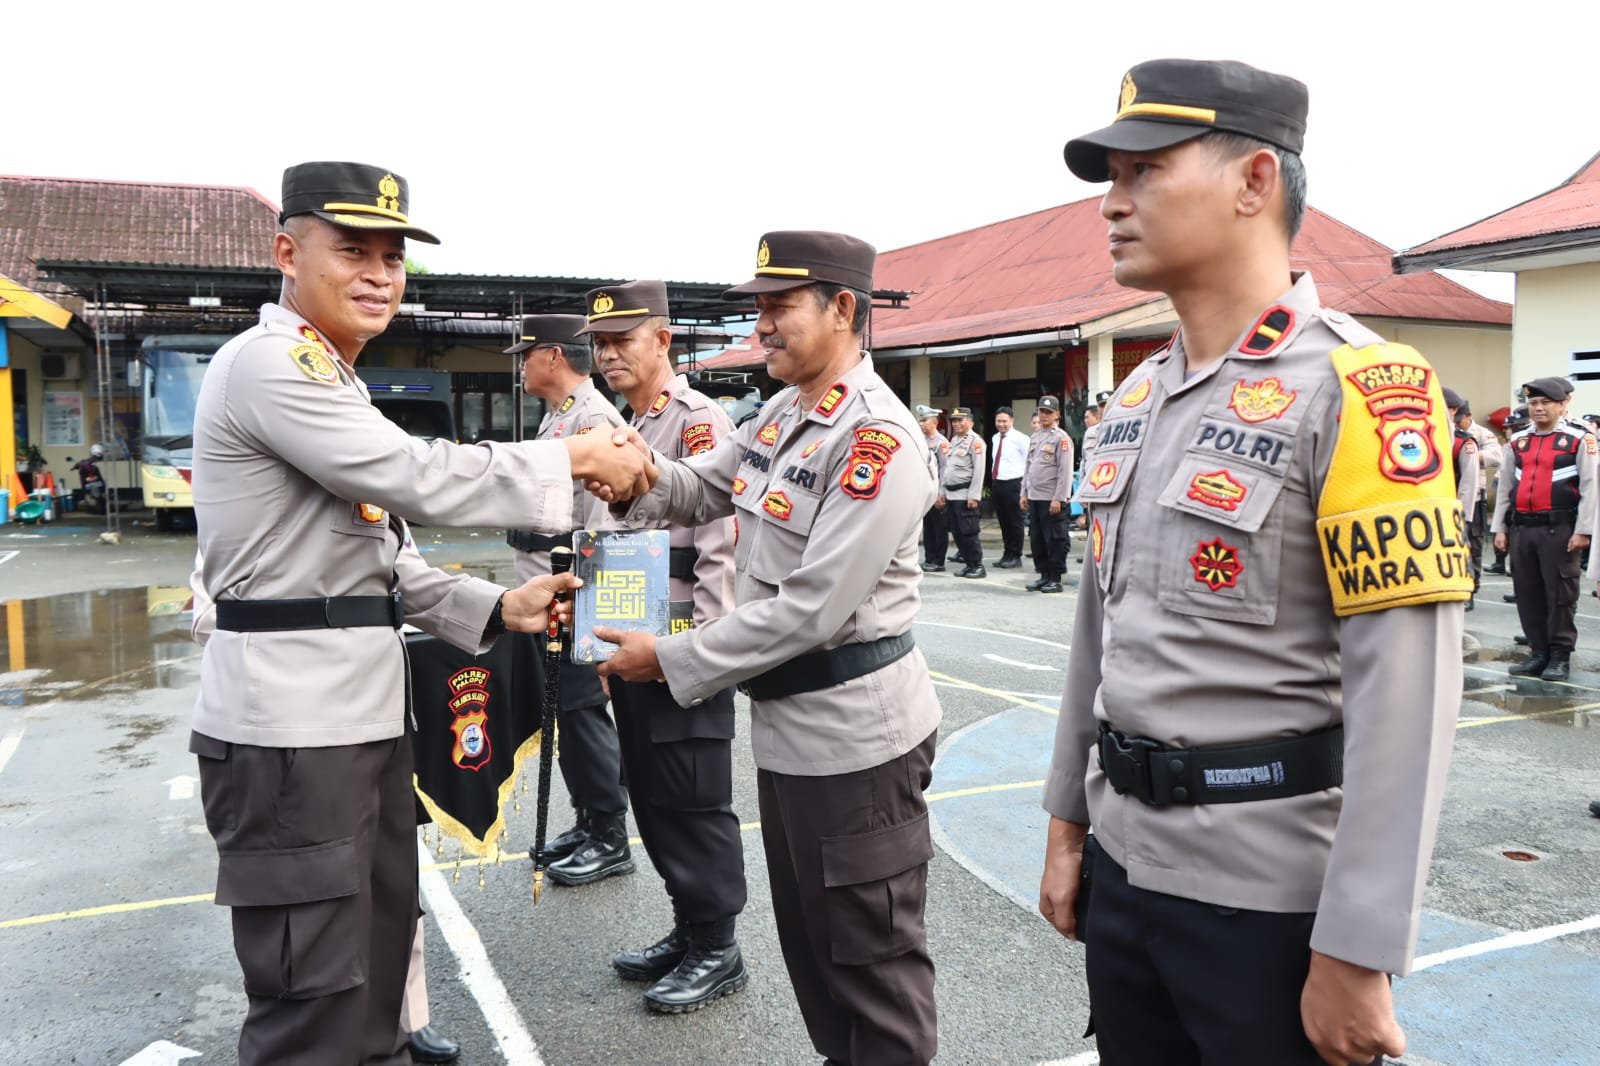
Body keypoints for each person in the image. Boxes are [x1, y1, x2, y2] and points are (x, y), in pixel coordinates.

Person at [1038, 59, 1472, 1066]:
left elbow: (1407, 691)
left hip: (1268, 899)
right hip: (1125, 871)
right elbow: (1098, 639)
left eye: (1144, 170)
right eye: (1111, 177)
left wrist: (1360, 945)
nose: (1111, 203)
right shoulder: (1135, 398)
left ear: (1254, 182)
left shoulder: (1363, 388)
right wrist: (1067, 824)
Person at [187, 161, 647, 1066]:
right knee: (316, 1003)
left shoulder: (335, 378)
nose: (378, 275)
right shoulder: (273, 364)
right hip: (291, 733)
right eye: (352, 251)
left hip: (354, 723)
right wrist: (572, 459)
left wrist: (498, 604)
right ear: (287, 253)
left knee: (376, 972)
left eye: (392, 258)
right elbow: (413, 475)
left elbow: (384, 564)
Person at [594, 230, 942, 1065]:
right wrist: (635, 473)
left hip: (856, 741)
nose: (761, 327)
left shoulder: (875, 439)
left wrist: (669, 659)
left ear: (843, 309)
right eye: (759, 308)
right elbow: (701, 487)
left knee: (869, 963)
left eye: (779, 307)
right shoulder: (784, 414)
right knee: (818, 952)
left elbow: (810, 609)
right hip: (793, 731)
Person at [581, 280, 748, 1013]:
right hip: (634, 647)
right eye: (599, 343)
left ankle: (718, 947)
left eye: (622, 339)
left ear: (663, 340)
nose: (608, 353)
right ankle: (688, 927)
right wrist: (598, 642)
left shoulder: (697, 422)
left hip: (681, 651)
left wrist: (700, 659)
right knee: (653, 798)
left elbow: (720, 549)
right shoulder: (632, 423)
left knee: (694, 801)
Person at [503, 314, 634, 885]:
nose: (521, 366)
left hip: (574, 600)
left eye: (526, 355)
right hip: (548, 595)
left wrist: (592, 617)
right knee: (563, 714)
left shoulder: (593, 420)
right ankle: (588, 820)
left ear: (553, 356)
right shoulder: (560, 416)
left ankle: (609, 834)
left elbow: (606, 527)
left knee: (582, 716)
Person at [1491, 377, 1597, 680]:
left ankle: (1560, 656)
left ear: (1562, 405)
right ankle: (1538, 653)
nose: (1538, 408)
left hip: (1559, 529)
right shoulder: (1518, 441)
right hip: (1522, 529)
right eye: (1533, 403)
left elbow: (1591, 487)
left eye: (1545, 403)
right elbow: (1506, 488)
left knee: (1561, 594)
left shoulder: (1579, 439)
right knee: (1528, 593)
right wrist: (1500, 528)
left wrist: (1583, 530)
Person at [1021, 394, 1073, 592]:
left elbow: (1065, 471)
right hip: (1034, 497)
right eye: (1041, 411)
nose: (1044, 415)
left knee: (1054, 540)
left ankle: (1055, 578)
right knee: (1037, 539)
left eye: (1048, 412)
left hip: (1051, 498)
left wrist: (1059, 498)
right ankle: (1043, 575)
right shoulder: (1035, 437)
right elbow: (1028, 467)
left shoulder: (1061, 438)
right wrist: (1024, 492)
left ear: (1057, 414)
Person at [1445, 388, 1483, 610]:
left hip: (1457, 507)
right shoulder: (1425, 436)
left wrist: (1462, 516)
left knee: (1466, 550)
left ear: (1453, 410)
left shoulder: (1463, 442)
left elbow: (1468, 483)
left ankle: (1467, 591)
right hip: (1433, 508)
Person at [942, 405, 987, 577]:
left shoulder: (976, 442)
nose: (956, 424)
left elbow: (979, 471)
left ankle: (977, 566)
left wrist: (974, 496)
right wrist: (942, 492)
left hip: (965, 494)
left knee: (969, 532)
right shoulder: (954, 440)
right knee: (957, 532)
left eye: (960, 420)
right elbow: (948, 469)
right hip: (952, 494)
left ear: (970, 422)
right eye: (954, 420)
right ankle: (969, 564)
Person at [990, 406, 1029, 566]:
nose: (1001, 424)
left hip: (1014, 483)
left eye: (1004, 421)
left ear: (1012, 421)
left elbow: (1029, 461)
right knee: (1003, 521)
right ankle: (1007, 553)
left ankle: (1015, 555)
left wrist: (1025, 486)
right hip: (998, 482)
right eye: (998, 421)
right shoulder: (995, 438)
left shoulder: (1021, 438)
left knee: (1015, 521)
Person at [916, 404, 951, 572]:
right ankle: (929, 557)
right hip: (924, 491)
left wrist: (941, 493)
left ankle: (938, 560)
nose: (921, 424)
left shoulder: (941, 443)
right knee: (928, 527)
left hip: (936, 491)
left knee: (939, 527)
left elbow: (945, 469)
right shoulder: (920, 441)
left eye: (925, 420)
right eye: (920, 420)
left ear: (935, 423)